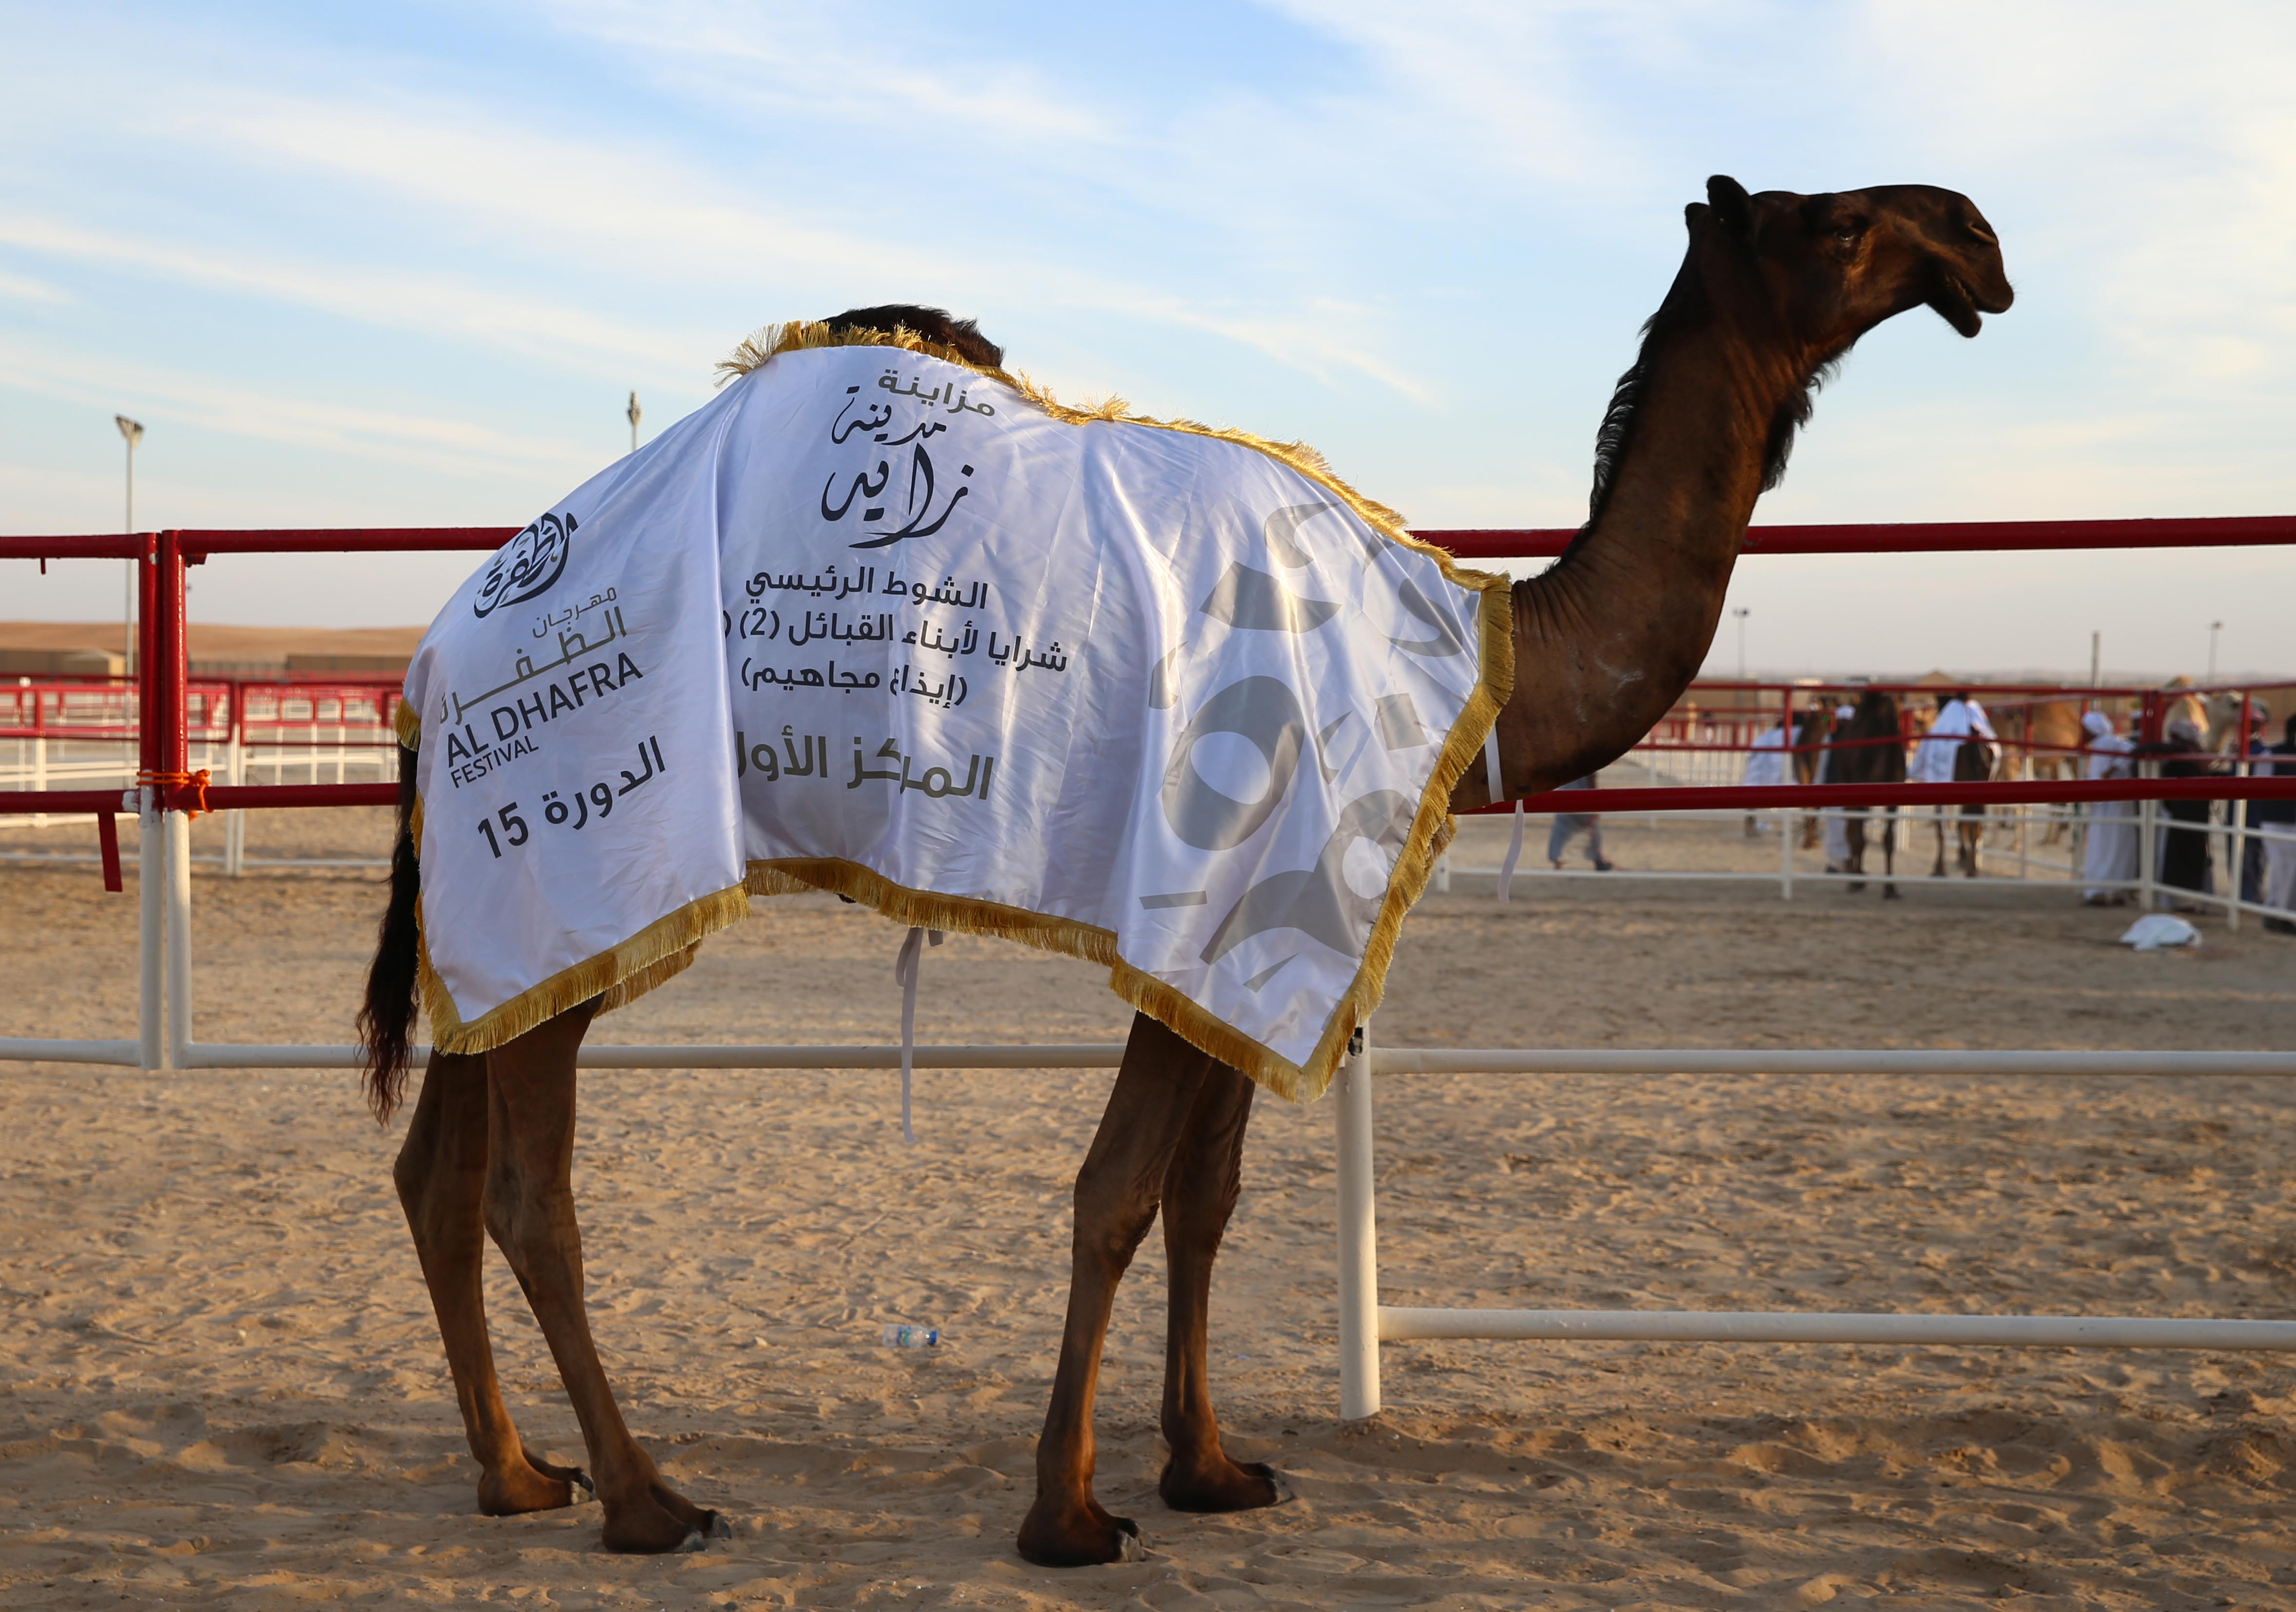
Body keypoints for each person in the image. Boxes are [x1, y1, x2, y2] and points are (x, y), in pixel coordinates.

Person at [2140, 716, 2218, 910]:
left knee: (2186, 858)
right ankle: (2187, 901)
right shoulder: (2190, 754)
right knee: (2185, 857)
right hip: (2185, 814)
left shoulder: (2186, 754)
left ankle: (2189, 902)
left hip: (2187, 815)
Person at [2079, 709, 2137, 904]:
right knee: (2107, 847)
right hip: (2104, 805)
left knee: (2109, 847)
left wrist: (2112, 770)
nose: (2081, 733)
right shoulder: (2099, 746)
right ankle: (2107, 890)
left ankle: (2105, 891)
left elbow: (2130, 751)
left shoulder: (2108, 743)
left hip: (2113, 805)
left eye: (2084, 729)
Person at [2255, 713, 2296, 936]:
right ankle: (2274, 914)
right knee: (2281, 869)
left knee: (2294, 871)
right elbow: (2261, 787)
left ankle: (2288, 916)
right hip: (2275, 821)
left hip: (2293, 822)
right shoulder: (2273, 754)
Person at [1545, 774, 1614, 870]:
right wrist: (1595, 800)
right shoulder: (1589, 760)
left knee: (1561, 831)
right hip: (1583, 799)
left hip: (1565, 797)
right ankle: (1598, 861)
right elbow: (1592, 778)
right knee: (1593, 832)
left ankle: (1558, 863)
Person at [1820, 702, 1856, 871]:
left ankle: (1841, 862)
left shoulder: (1831, 738)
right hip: (1842, 789)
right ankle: (1840, 863)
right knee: (1840, 827)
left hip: (1837, 788)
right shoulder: (1856, 739)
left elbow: (1822, 765)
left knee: (1837, 827)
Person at [1741, 717, 1789, 837]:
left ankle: (1750, 827)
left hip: (1757, 776)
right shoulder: (1783, 737)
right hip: (1772, 775)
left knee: (1752, 801)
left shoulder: (1765, 737)